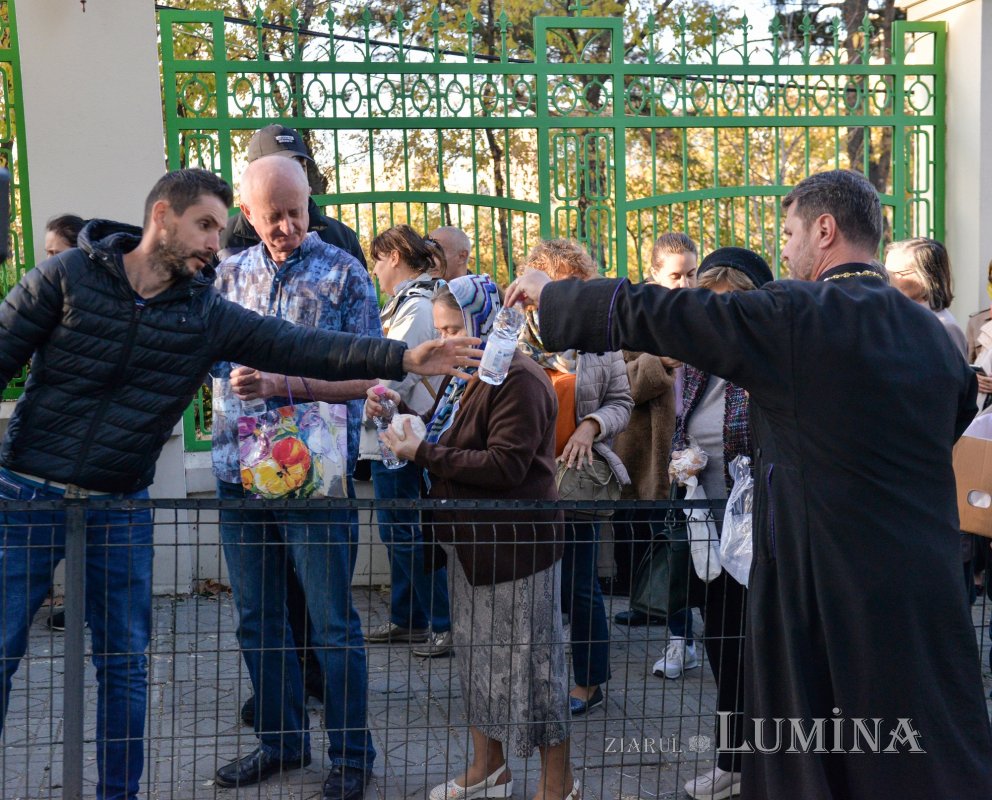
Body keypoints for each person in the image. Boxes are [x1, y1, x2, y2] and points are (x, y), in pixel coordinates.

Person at [507, 169, 992, 799]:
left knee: (817, 742)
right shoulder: (933, 333)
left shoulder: (796, 313)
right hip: (919, 581)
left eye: (789, 233)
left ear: (825, 230)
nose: (784, 249)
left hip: (821, 582)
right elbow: (952, 423)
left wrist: (558, 297)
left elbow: (678, 314)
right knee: (915, 740)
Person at [0, 168, 479, 800]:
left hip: (145, 502)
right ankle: (281, 742)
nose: (213, 242)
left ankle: (135, 791)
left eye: (218, 228)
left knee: (125, 667)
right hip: (34, 496)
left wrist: (401, 357)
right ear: (163, 217)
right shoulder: (70, 277)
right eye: (205, 225)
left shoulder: (210, 308)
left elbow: (306, 347)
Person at [210, 156, 379, 799]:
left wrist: (286, 383)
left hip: (315, 476)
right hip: (237, 473)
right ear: (246, 214)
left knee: (333, 622)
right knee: (257, 616)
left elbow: (372, 374)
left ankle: (351, 758)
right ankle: (280, 744)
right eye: (271, 214)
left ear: (310, 203)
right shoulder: (225, 277)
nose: (285, 226)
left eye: (295, 211)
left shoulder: (344, 275)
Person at [372, 274, 579, 800]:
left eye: (454, 328)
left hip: (515, 551)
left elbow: (505, 465)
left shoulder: (520, 378)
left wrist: (421, 453)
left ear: (485, 322)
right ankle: (491, 769)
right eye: (439, 331)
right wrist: (399, 416)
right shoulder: (470, 372)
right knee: (480, 661)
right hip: (472, 549)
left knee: (536, 673)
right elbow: (448, 434)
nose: (446, 342)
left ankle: (559, 786)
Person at [659, 248, 773, 800]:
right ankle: (734, 762)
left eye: (729, 304)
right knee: (725, 648)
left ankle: (769, 766)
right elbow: (683, 431)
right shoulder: (698, 365)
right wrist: (680, 458)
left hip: (762, 532)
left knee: (762, 652)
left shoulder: (765, 365)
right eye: (711, 304)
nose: (718, 317)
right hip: (709, 527)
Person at [516, 239, 631, 716]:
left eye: (573, 286)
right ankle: (532, 677)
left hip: (576, 477)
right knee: (531, 586)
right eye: (555, 286)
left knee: (579, 584)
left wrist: (592, 424)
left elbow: (621, 402)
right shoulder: (514, 336)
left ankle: (588, 681)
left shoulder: (600, 341)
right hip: (526, 477)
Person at [361, 224, 452, 658]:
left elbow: (397, 369)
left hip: (402, 432)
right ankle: (408, 617)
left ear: (395, 256)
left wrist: (361, 390)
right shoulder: (406, 303)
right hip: (396, 431)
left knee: (403, 530)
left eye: (378, 259)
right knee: (400, 528)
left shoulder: (415, 307)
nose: (375, 269)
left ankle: (440, 622)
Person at [611, 233, 696, 656]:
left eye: (691, 273)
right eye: (675, 275)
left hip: (697, 448)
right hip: (649, 445)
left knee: (683, 542)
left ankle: (683, 634)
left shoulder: (707, 313)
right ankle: (648, 605)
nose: (684, 284)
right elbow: (619, 384)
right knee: (647, 532)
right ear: (654, 275)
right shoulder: (634, 320)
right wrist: (657, 363)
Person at [219, 123, 366, 267]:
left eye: (301, 166)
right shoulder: (222, 241)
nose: (292, 173)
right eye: (280, 165)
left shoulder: (341, 238)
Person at [40, 212, 89, 633]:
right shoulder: (46, 303)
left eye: (57, 254)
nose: (49, 264)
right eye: (46, 256)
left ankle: (82, 606)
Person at [885, 237, 966, 358]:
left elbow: (956, 375)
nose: (889, 281)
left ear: (926, 277)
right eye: (886, 273)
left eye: (897, 274)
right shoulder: (894, 316)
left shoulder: (944, 327)